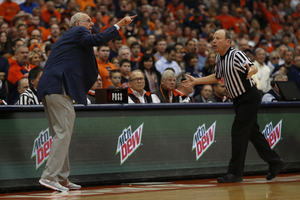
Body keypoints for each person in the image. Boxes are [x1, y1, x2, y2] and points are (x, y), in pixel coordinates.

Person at [37, 12, 136, 192]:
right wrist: (120, 24)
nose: (91, 23)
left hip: (50, 86)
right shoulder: (77, 31)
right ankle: (49, 176)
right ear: (77, 23)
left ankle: (62, 177)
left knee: (60, 134)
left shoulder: (70, 39)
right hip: (58, 86)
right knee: (63, 133)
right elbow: (98, 39)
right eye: (88, 21)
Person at [183, 29, 284, 183]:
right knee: (252, 133)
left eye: (218, 38)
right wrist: (197, 81)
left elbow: (252, 66)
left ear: (228, 42)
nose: (214, 41)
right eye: (213, 38)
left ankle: (235, 173)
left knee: (238, 132)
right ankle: (275, 161)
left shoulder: (236, 54)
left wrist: (252, 70)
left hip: (249, 97)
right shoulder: (219, 59)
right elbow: (217, 76)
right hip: (238, 99)